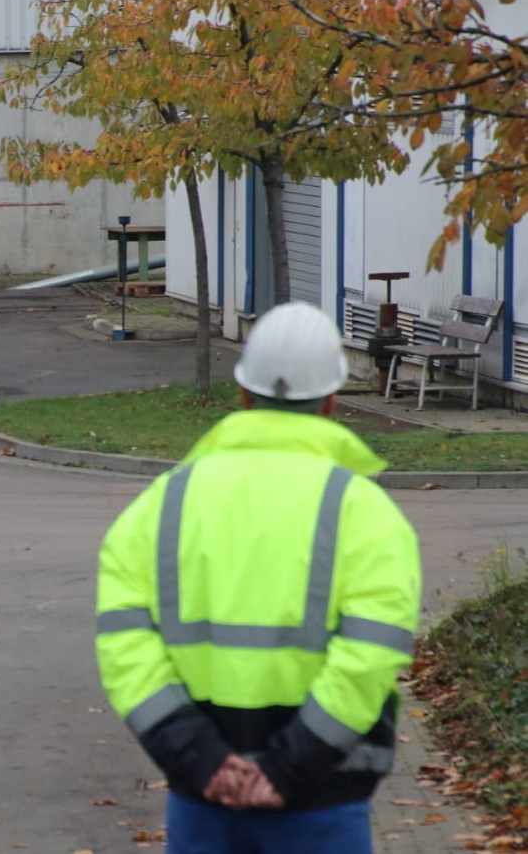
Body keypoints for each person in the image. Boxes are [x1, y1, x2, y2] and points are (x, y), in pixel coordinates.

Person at [95, 302, 422, 854]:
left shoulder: (161, 505)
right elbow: (369, 655)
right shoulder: (366, 513)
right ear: (332, 404)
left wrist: (199, 757)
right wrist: (289, 766)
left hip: (204, 798)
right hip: (323, 803)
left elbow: (125, 644)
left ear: (243, 396)